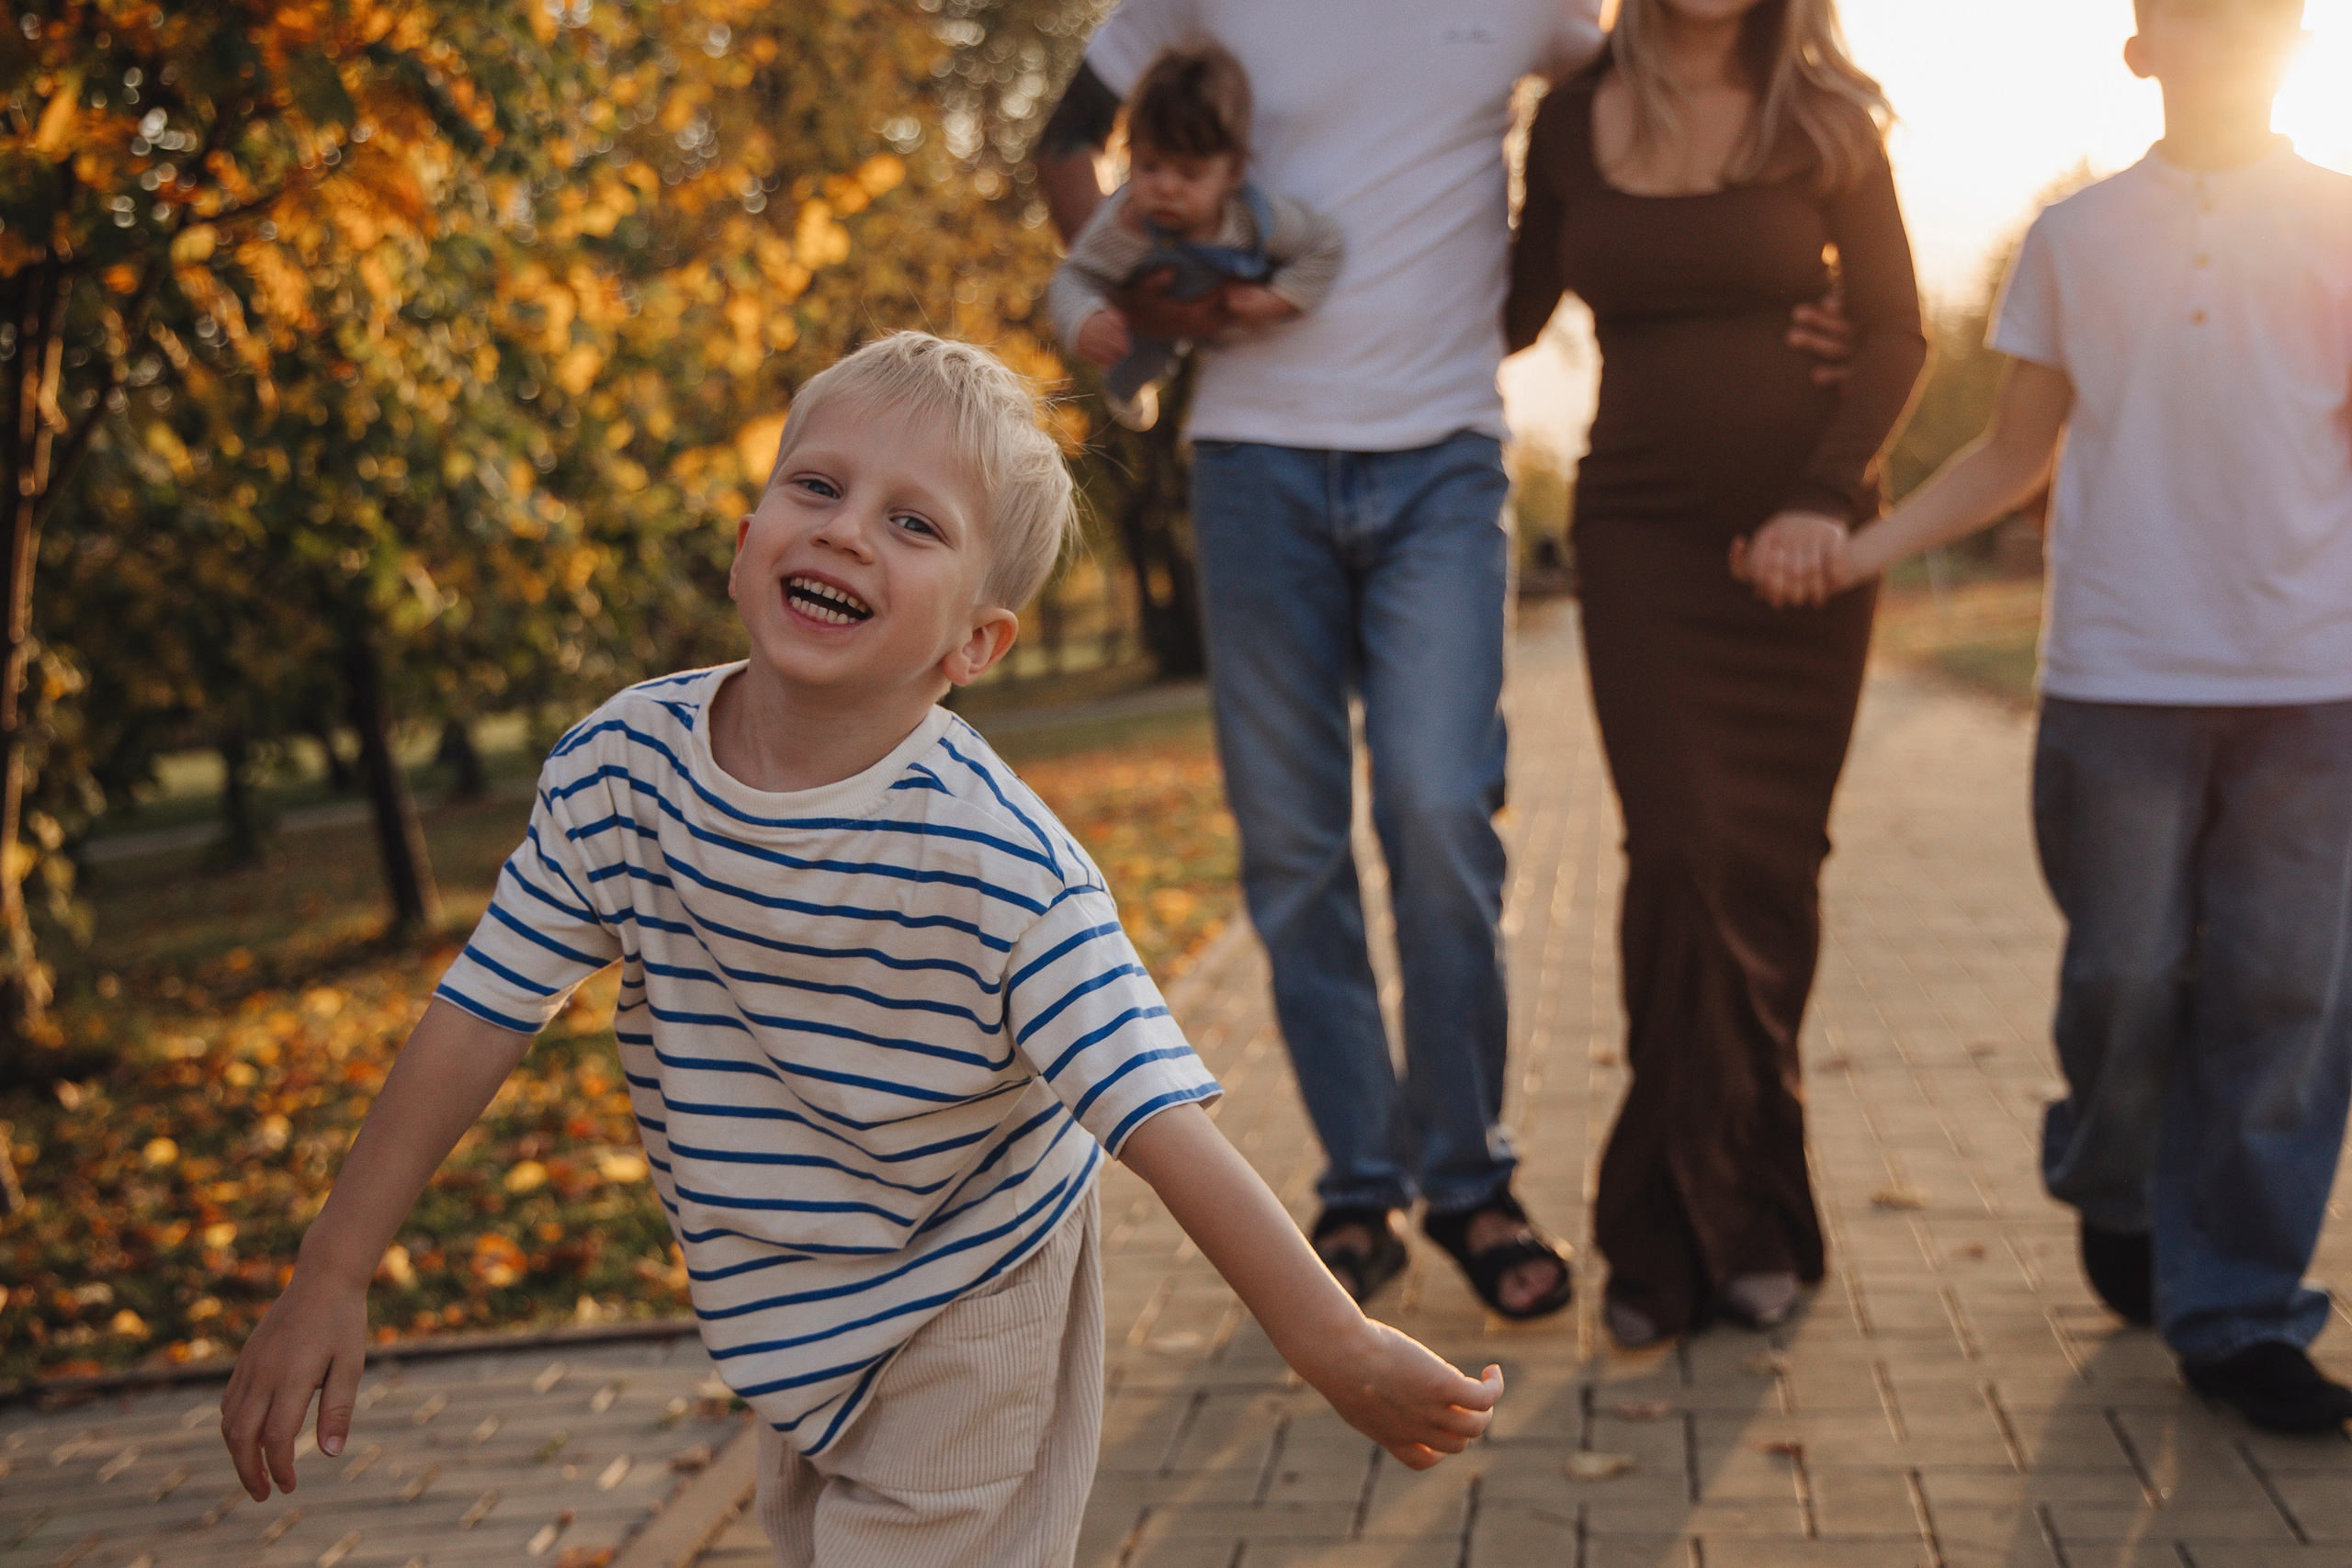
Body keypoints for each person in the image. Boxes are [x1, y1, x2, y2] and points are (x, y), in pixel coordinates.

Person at [216, 333, 1507, 1563]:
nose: (845, 527)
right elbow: (482, 1010)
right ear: (745, 548)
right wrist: (330, 1268)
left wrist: (1330, 1340)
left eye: (914, 521)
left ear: (975, 643)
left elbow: (1162, 1125)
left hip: (973, 1290)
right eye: (818, 486)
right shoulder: (624, 770)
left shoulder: (1003, 865)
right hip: (783, 1303)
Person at [1750, 0, 2352, 1435]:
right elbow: (2015, 450)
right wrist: (1850, 543)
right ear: (2145, 51)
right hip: (2119, 676)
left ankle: (2241, 1310)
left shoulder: (2340, 220)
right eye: (2197, 25)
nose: (2228, 45)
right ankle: (2114, 1163)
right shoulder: (2077, 240)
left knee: (2284, 998)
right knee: (2124, 979)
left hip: (2309, 683)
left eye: (2257, 25)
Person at [1505, 0, 1926, 1348]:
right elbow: (1507, 309)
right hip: (1640, 530)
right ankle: (1663, 1224)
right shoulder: (1569, 120)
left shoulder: (1832, 119)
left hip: (1806, 545)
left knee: (1770, 873)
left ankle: (1751, 1213)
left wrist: (1825, 493)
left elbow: (1898, 332)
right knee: (1680, 853)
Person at [1049, 39, 1345, 432]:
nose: (1167, 188)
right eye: (1150, 166)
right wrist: (1083, 319)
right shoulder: (1126, 223)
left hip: (1240, 316)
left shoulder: (1256, 218)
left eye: (1190, 173)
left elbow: (1325, 243)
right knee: (1139, 358)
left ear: (1234, 172)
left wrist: (1279, 299)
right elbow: (1073, 277)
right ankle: (1125, 389)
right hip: (1155, 309)